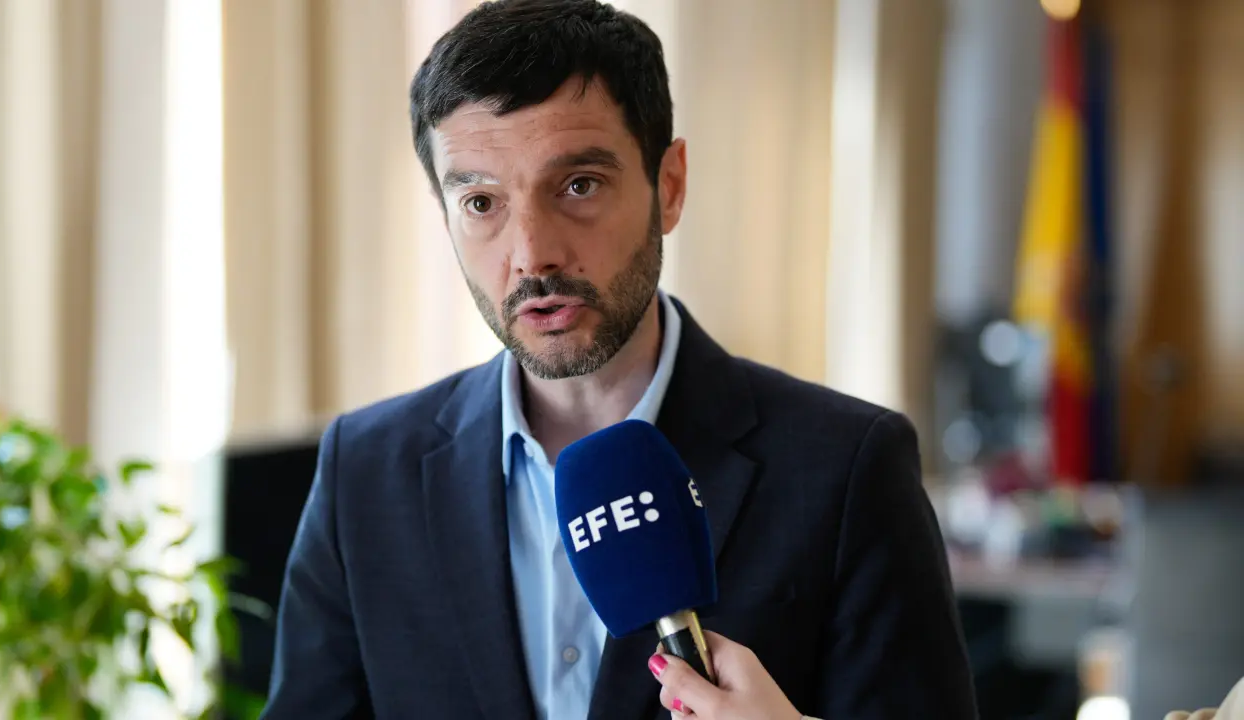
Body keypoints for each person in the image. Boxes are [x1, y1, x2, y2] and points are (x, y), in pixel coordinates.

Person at [261, 1, 978, 718]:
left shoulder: (847, 469)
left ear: (669, 186)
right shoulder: (363, 473)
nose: (532, 253)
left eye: (579, 186)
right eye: (481, 202)